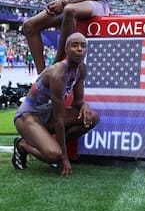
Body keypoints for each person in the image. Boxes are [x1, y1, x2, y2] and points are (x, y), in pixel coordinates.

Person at [11, 32, 99, 176]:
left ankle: (48, 143)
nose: (79, 49)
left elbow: (77, 102)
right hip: (28, 116)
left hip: (48, 113)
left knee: (91, 117)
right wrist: (64, 158)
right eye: (74, 45)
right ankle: (22, 144)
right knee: (54, 156)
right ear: (66, 49)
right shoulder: (57, 73)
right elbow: (59, 119)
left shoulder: (81, 69)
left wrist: (85, 106)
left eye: (83, 46)